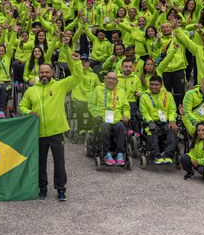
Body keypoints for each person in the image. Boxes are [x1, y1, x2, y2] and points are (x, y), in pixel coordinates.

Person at [18, 40, 82, 201]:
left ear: (52, 73)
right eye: (42, 72)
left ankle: (61, 189)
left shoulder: (60, 86)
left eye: (47, 72)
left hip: (56, 131)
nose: (44, 74)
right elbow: (21, 106)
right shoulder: (31, 90)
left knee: (59, 163)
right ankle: (42, 188)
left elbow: (77, 77)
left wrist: (74, 58)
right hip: (38, 132)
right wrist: (28, 112)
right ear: (38, 74)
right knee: (40, 163)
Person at [88, 70, 131, 167]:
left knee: (121, 127)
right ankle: (106, 153)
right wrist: (96, 115)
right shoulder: (98, 89)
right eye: (109, 78)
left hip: (117, 118)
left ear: (117, 81)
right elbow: (91, 104)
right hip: (102, 118)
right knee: (105, 127)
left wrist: (126, 116)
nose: (111, 80)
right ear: (105, 79)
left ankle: (120, 154)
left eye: (114, 79)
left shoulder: (121, 91)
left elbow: (125, 107)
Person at [139, 75, 179, 165]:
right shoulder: (144, 96)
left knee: (172, 129)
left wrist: (172, 120)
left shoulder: (168, 95)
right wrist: (150, 121)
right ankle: (156, 155)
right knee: (151, 130)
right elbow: (144, 112)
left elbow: (172, 110)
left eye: (156, 85)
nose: (153, 87)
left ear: (161, 85)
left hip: (165, 121)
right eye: (151, 84)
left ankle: (168, 155)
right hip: (151, 121)